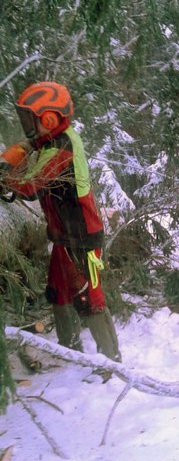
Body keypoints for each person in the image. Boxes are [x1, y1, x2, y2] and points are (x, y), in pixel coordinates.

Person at [0, 81, 121, 363]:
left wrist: (4, 179)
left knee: (89, 299)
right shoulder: (51, 139)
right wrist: (11, 156)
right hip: (62, 235)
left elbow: (30, 185)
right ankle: (69, 349)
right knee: (58, 291)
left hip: (81, 236)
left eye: (33, 119)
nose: (28, 125)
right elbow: (30, 146)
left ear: (50, 118)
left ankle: (111, 362)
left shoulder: (62, 147)